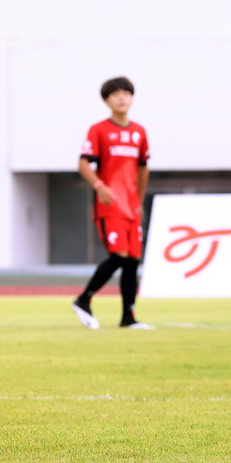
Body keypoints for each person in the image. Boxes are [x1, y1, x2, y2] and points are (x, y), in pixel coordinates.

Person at [71, 77, 154, 330]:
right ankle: (83, 299)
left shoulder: (139, 132)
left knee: (132, 261)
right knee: (118, 255)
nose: (121, 98)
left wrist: (138, 201)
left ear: (132, 98)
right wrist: (99, 185)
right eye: (115, 94)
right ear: (106, 100)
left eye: (126, 93)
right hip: (110, 204)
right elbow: (84, 163)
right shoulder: (99, 130)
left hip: (131, 206)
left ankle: (128, 317)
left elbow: (143, 168)